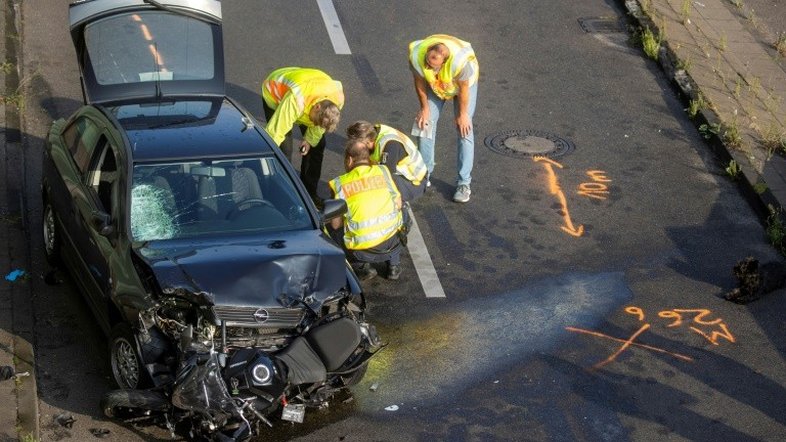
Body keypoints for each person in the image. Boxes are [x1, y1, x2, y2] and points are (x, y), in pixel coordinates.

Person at [408, 34, 479, 203]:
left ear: (444, 62)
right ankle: (425, 174)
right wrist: (424, 109)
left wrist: (463, 115)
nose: (428, 68)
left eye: (433, 66)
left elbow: (462, 90)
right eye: (428, 63)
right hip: (439, 85)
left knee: (465, 130)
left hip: (462, 86)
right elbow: (419, 82)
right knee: (424, 124)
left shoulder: (460, 64)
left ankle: (464, 183)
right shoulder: (417, 56)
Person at [261, 67, 344, 206]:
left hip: (308, 97)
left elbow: (319, 126)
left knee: (317, 145)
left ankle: (309, 194)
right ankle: (280, 196)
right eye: (315, 121)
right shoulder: (296, 99)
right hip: (275, 95)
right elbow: (275, 133)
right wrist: (264, 158)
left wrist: (309, 140)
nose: (313, 124)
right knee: (284, 149)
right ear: (317, 107)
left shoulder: (337, 98)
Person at [329, 139, 404, 281]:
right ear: (367, 157)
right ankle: (393, 266)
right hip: (391, 242)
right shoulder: (383, 171)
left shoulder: (340, 184)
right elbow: (398, 203)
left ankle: (362, 267)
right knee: (404, 213)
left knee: (331, 229)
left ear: (350, 160)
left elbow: (335, 224)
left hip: (363, 251)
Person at [346, 120, 427, 203]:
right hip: (403, 175)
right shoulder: (375, 134)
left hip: (415, 182)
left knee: (381, 188)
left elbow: (386, 178)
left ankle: (401, 209)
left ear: (366, 142)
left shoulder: (390, 146)